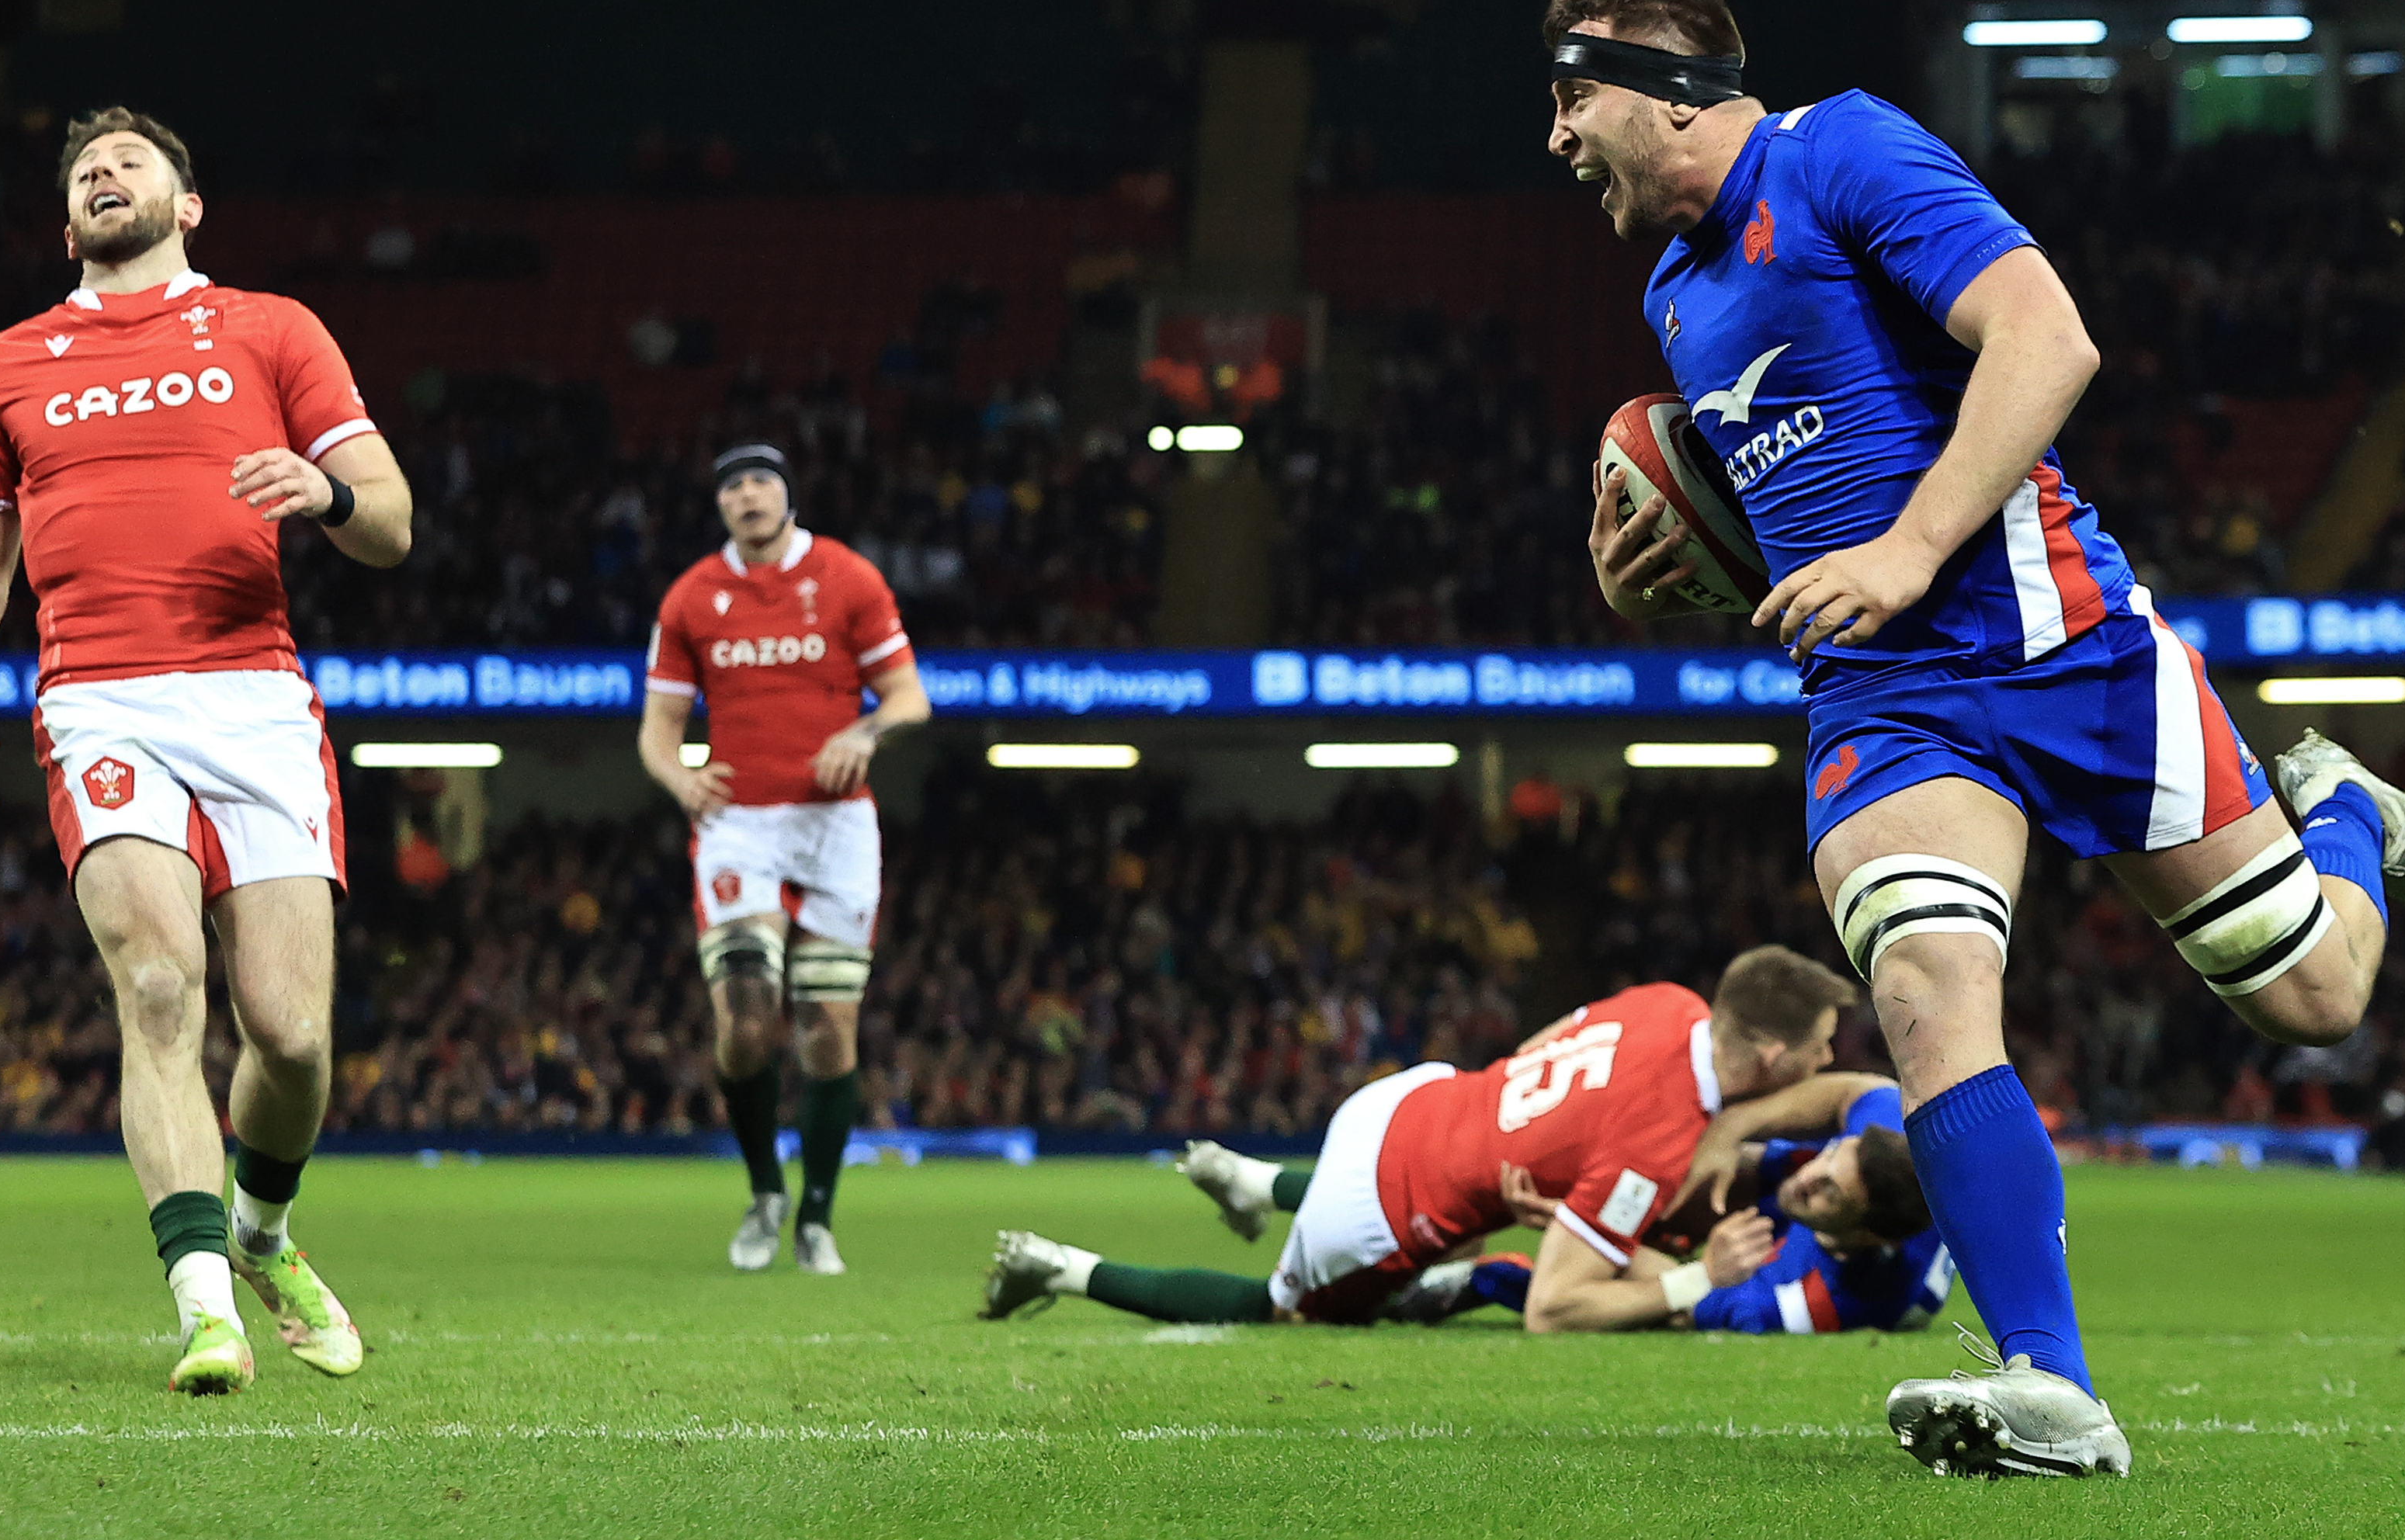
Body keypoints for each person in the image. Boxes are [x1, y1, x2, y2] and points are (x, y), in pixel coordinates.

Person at [1546, 0, 2405, 1476]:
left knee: (2315, 1002)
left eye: (1574, 95)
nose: (1557, 136)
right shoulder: (1671, 292)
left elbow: (2048, 337)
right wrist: (1659, 583)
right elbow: (1785, 512)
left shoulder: (1837, 147)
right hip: (1888, 701)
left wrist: (1909, 548)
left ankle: (2346, 809)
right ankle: (2051, 1381)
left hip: (2069, 645)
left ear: (1667, 80)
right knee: (1921, 991)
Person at [0, 107, 412, 1393]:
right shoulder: (6, 366)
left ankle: (262, 1233)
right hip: (101, 701)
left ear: (189, 203)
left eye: (131, 160)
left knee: (291, 1037)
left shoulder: (271, 329)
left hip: (254, 697)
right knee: (161, 987)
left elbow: (392, 520)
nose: (103, 172)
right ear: (66, 220)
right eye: (85, 170)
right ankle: (204, 1306)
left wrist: (329, 492)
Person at [980, 948, 1853, 1327]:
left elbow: (1540, 1046)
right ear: (1773, 1056)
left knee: (1466, 1209)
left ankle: (1250, 1179)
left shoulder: (1670, 1001)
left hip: (1409, 1097)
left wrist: (1548, 1143)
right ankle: (1057, 1263)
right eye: (1819, 1046)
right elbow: (1554, 1308)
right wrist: (1705, 1277)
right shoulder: (1656, 1141)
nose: (1826, 1058)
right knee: (1278, 1309)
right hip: (1376, 1206)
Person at [639, 443, 929, 1275]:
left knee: (831, 1031)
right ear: (721, 506)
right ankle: (766, 1188)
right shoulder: (693, 595)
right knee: (747, 1011)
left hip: (837, 827)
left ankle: (817, 1216)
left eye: (762, 481)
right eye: (731, 484)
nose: (747, 495)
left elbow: (910, 695)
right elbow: (658, 731)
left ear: (788, 497)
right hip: (739, 825)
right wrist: (679, 776)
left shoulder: (848, 577)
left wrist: (863, 728)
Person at [1454, 1076, 1954, 1337]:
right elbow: (1859, 1089)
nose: (1809, 1177)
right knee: (1726, 1155)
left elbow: (1687, 1302)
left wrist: (1584, 1224)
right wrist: (1731, 1129)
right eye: (1828, 1156)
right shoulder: (1891, 1133)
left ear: (1869, 1236)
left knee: (1690, 1284)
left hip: (1813, 1266)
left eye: (1830, 1191)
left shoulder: (1813, 1302)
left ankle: (1489, 1275)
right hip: (1832, 1223)